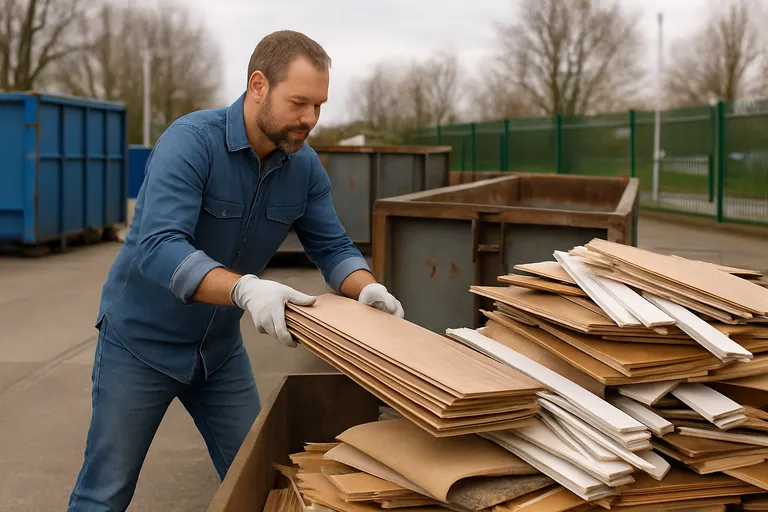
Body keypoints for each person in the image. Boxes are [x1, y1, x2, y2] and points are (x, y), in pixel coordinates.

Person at [68, 30, 404, 511]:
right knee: (105, 491)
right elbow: (159, 247)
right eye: (299, 103)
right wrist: (246, 289)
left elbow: (332, 246)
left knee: (265, 483)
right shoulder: (190, 143)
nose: (310, 119)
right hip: (140, 347)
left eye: (319, 106)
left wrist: (367, 287)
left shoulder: (304, 167)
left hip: (217, 355)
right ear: (259, 84)